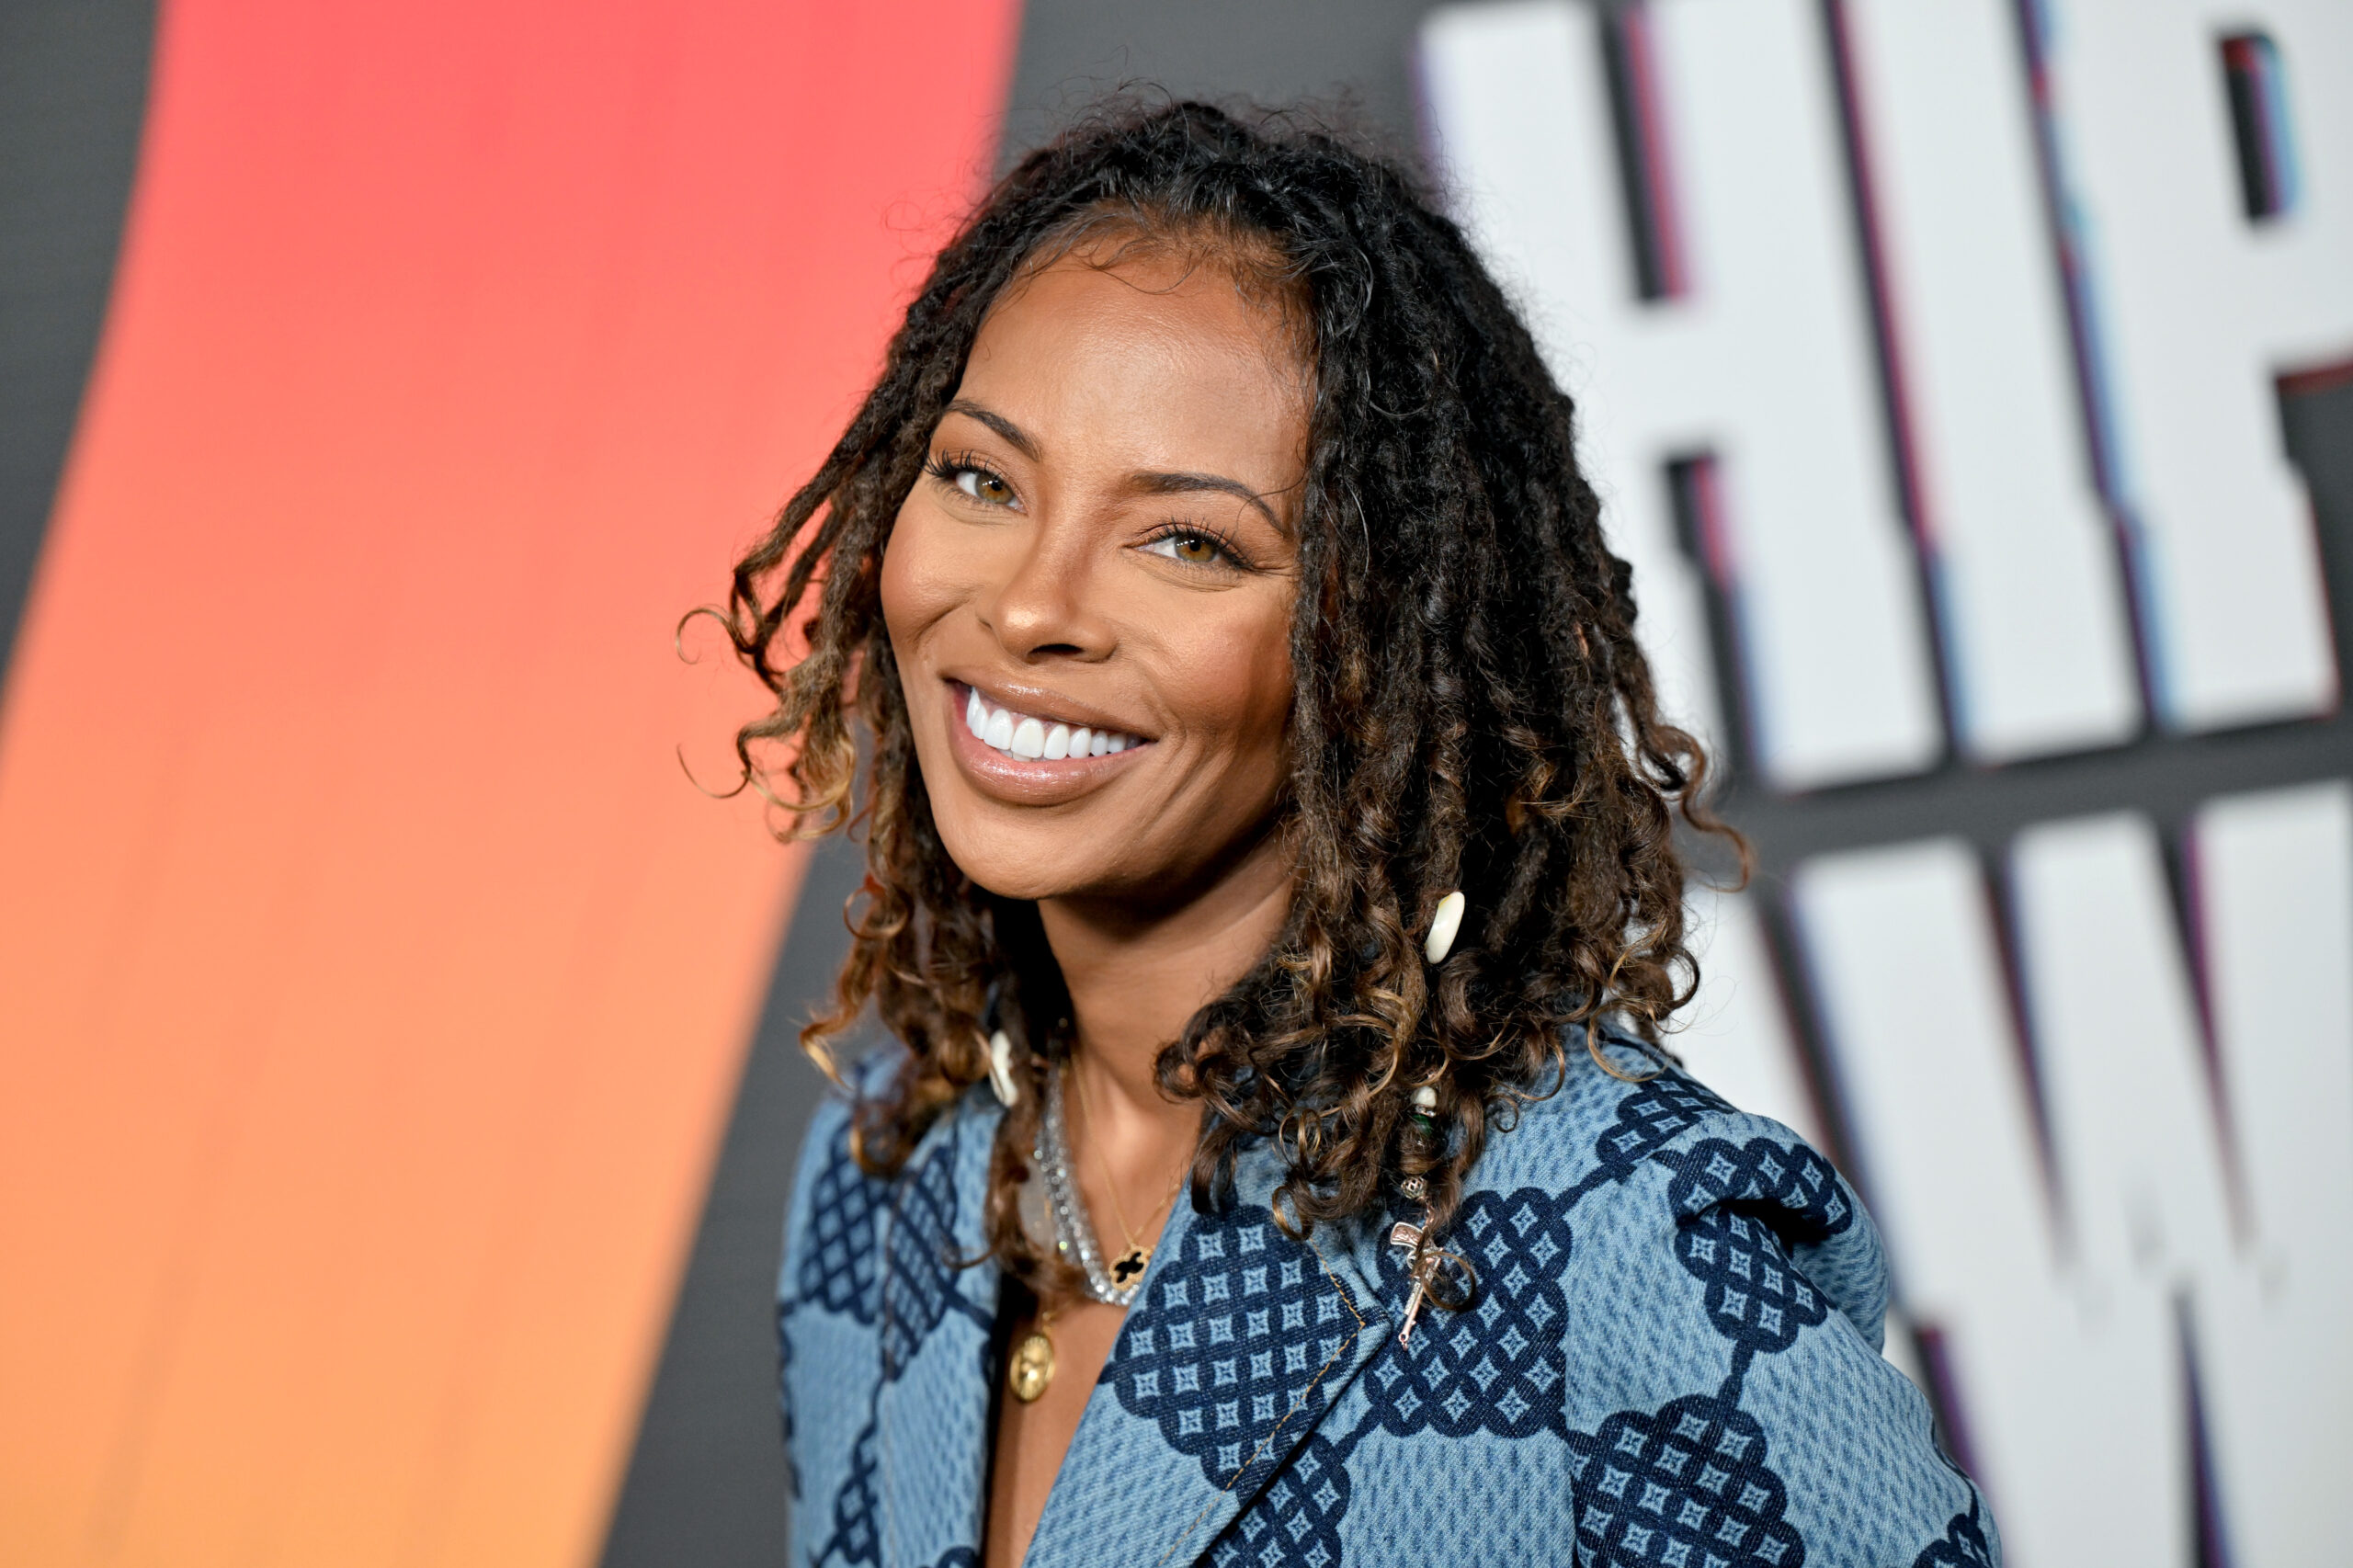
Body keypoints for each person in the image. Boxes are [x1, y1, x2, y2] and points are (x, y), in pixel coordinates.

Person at [725, 100, 1997, 1568]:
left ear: (1376, 650)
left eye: (1187, 541)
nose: (1027, 606)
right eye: (981, 478)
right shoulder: (887, 1170)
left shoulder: (1625, 1243)